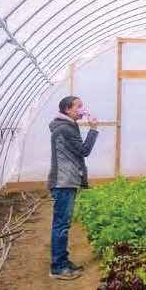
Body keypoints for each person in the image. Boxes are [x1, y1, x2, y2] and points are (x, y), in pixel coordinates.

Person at [48, 95, 99, 280]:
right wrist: (93, 129)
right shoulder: (65, 128)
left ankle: (62, 261)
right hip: (63, 182)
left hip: (66, 180)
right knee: (61, 225)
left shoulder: (67, 126)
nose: (82, 109)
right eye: (78, 106)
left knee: (63, 224)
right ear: (68, 110)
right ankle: (58, 267)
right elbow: (84, 150)